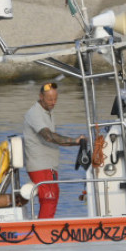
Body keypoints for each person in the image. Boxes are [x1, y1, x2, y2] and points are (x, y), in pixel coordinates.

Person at [22, 81, 86, 219]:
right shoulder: (35, 113)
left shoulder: (48, 112)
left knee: (53, 198)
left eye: (55, 99)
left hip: (49, 166)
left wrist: (77, 143)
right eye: (50, 99)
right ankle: (42, 233)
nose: (53, 102)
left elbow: (55, 139)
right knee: (48, 199)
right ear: (41, 96)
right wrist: (74, 140)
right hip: (40, 165)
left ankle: (46, 229)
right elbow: (49, 136)